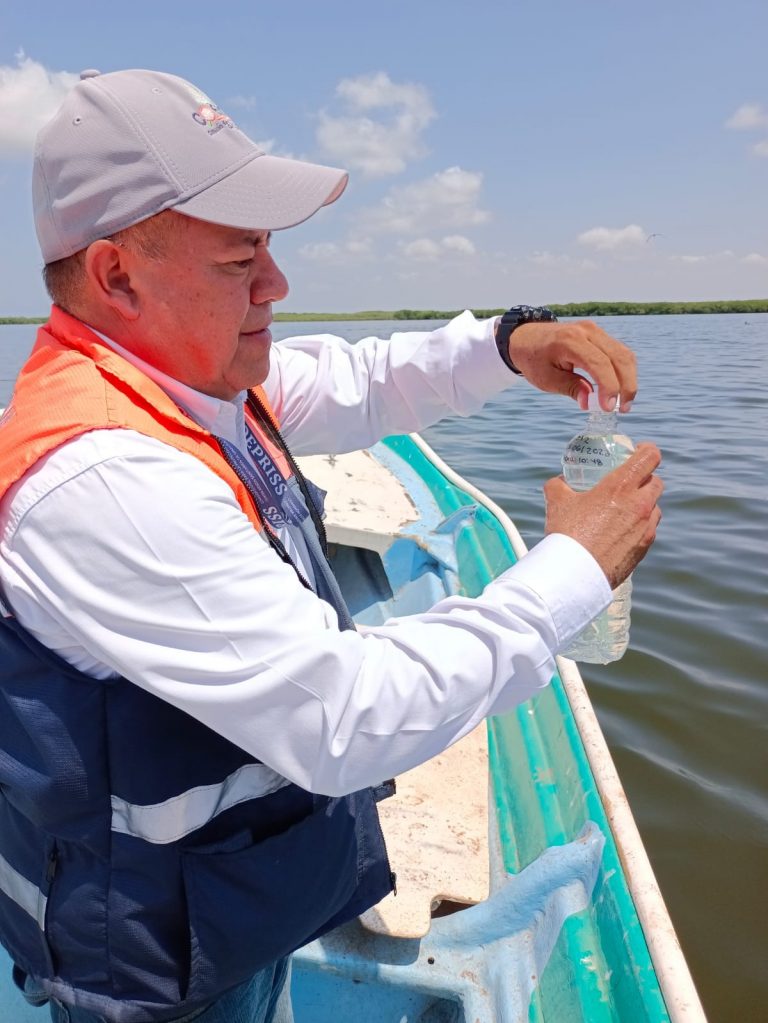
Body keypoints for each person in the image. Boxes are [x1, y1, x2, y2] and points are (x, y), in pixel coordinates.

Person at [0, 69, 662, 1023]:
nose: (278, 283)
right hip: (160, 971)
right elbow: (344, 717)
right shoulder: (106, 479)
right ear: (116, 274)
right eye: (240, 261)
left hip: (232, 907)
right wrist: (574, 569)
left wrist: (509, 342)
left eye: (267, 249)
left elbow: (359, 378)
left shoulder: (190, 380)